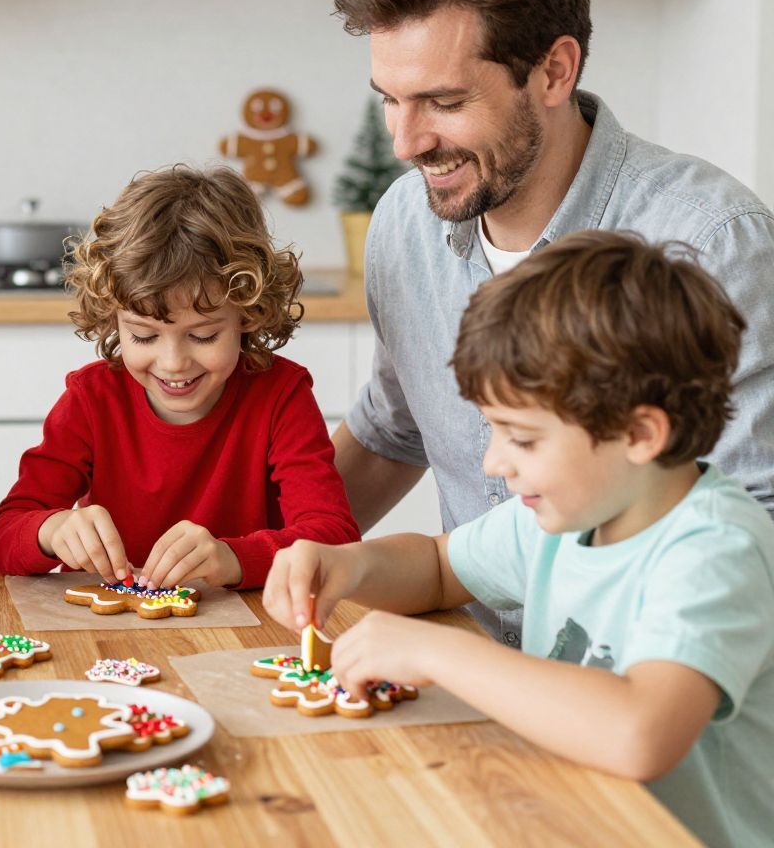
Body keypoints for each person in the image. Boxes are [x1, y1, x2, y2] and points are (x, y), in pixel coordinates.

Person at [330, 0, 774, 641]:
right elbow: (391, 432)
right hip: (475, 668)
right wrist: (253, 551)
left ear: (554, 71)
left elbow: (756, 536)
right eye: (390, 101)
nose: (406, 143)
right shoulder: (406, 221)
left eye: (443, 101)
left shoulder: (711, 242)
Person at [264, 231, 774, 848]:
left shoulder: (714, 550)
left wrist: (438, 654)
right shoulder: (569, 515)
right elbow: (437, 568)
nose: (494, 463)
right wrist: (349, 565)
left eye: (523, 439)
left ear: (640, 435)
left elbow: (641, 733)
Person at [0, 165, 360, 590]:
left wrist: (234, 558)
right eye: (144, 336)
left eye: (203, 335)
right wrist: (50, 531)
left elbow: (335, 538)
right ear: (113, 319)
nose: (173, 362)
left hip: (248, 624)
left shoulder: (281, 396)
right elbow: (0, 540)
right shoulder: (92, 399)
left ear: (247, 314)